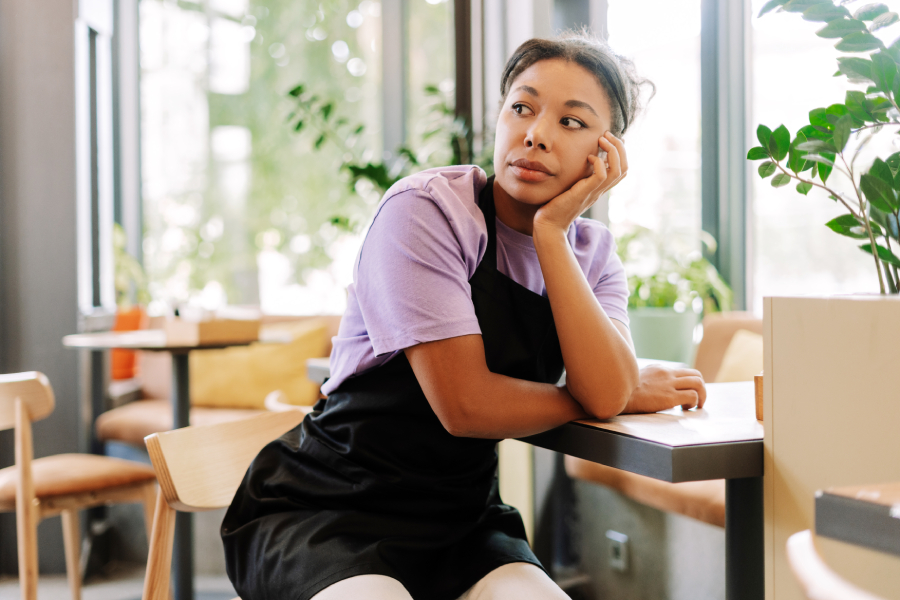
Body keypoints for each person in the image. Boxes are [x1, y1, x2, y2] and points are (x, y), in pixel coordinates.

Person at [221, 33, 707, 600]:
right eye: (521, 107)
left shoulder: (593, 256)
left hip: (462, 522)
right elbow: (466, 405)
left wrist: (551, 235)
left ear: (606, 155)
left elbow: (606, 391)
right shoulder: (427, 210)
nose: (535, 134)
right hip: (327, 509)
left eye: (571, 123)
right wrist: (612, 391)